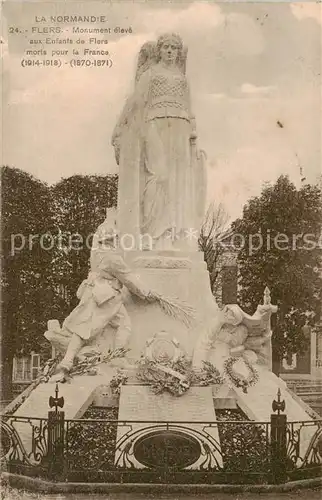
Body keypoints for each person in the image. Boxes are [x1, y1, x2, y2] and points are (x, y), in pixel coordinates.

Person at [112, 33, 206, 250]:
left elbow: (189, 107)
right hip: (155, 124)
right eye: (166, 47)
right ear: (160, 50)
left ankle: (172, 235)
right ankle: (152, 233)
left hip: (181, 127)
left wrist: (193, 131)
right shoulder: (151, 74)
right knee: (159, 175)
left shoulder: (183, 79)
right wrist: (118, 127)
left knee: (178, 182)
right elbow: (135, 101)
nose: (171, 52)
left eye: (174, 48)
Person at [52, 226, 154, 381]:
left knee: (91, 327)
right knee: (109, 326)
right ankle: (110, 357)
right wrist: (147, 293)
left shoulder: (97, 254)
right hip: (107, 297)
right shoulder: (112, 258)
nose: (117, 241)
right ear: (111, 240)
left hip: (98, 294)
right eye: (115, 238)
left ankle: (71, 360)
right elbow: (128, 278)